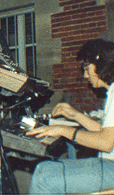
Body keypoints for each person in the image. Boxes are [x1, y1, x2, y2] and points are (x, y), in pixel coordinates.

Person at [27, 39, 114, 194]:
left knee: (44, 180)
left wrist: (62, 130)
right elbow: (106, 132)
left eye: (87, 69)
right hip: (109, 165)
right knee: (43, 168)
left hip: (111, 168)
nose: (86, 76)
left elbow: (106, 142)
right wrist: (75, 115)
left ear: (101, 65)